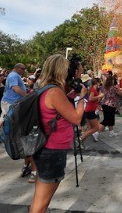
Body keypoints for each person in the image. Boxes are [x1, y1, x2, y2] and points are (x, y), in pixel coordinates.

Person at [29, 54, 85, 213]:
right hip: (52, 152)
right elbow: (76, 118)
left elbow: (56, 108)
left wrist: (72, 94)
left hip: (45, 149)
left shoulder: (46, 88)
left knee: (39, 200)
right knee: (41, 204)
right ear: (62, 71)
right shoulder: (55, 92)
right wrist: (82, 97)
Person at [0, 63, 28, 144]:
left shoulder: (14, 75)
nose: (24, 71)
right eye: (23, 69)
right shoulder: (14, 75)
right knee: (11, 120)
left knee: (3, 119)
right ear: (18, 68)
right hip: (10, 102)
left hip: (9, 102)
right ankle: (10, 139)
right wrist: (26, 96)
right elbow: (15, 88)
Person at [80, 78, 103, 143]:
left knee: (90, 128)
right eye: (99, 83)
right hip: (90, 111)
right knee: (96, 128)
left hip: (88, 110)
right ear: (97, 83)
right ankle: (81, 138)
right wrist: (99, 96)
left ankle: (81, 142)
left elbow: (95, 100)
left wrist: (99, 96)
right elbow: (90, 99)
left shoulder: (93, 89)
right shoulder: (93, 89)